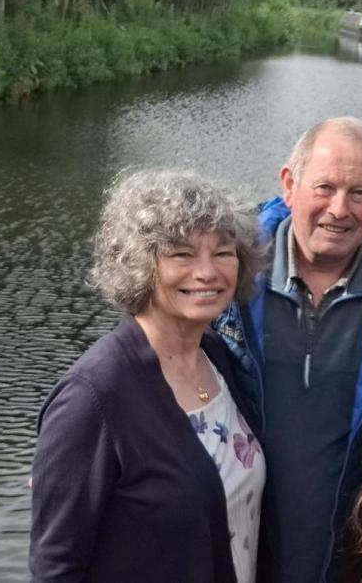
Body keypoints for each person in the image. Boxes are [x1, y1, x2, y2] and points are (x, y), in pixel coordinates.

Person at [30, 170, 266, 583]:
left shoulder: (217, 356)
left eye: (223, 252)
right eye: (182, 254)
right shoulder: (92, 398)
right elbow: (56, 568)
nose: (207, 272)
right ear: (141, 263)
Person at [213, 116, 362, 582]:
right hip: (235, 555)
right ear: (289, 185)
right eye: (324, 187)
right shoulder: (227, 280)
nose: (339, 209)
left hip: (349, 559)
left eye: (360, 193)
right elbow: (153, 357)